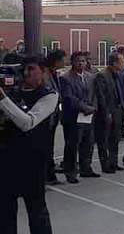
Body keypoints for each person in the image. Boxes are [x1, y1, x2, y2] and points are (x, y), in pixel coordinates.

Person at [0, 56, 57, 234]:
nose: (26, 73)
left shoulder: (49, 95)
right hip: (6, 159)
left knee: (37, 211)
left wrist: (2, 99)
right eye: (24, 69)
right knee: (5, 212)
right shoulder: (13, 91)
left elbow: (27, 123)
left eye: (31, 69)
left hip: (33, 162)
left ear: (44, 71)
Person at [60, 51, 99, 183]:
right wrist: (85, 108)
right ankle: (70, 172)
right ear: (72, 62)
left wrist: (93, 107)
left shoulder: (90, 76)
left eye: (83, 61)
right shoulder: (66, 78)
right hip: (73, 117)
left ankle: (86, 168)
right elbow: (69, 98)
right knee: (72, 145)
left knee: (88, 143)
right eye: (78, 61)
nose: (81, 63)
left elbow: (93, 95)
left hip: (88, 116)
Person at [94, 52, 124, 174]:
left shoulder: (118, 74)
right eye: (122, 61)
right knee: (104, 139)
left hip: (117, 110)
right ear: (114, 63)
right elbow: (101, 96)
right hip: (107, 112)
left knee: (115, 138)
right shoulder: (102, 75)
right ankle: (105, 164)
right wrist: (106, 112)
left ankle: (114, 162)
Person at [43, 49, 66, 185]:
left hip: (54, 115)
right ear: (56, 61)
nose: (64, 62)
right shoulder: (45, 74)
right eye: (62, 59)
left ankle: (50, 176)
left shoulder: (54, 73)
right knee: (45, 147)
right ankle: (46, 177)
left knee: (49, 147)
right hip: (46, 116)